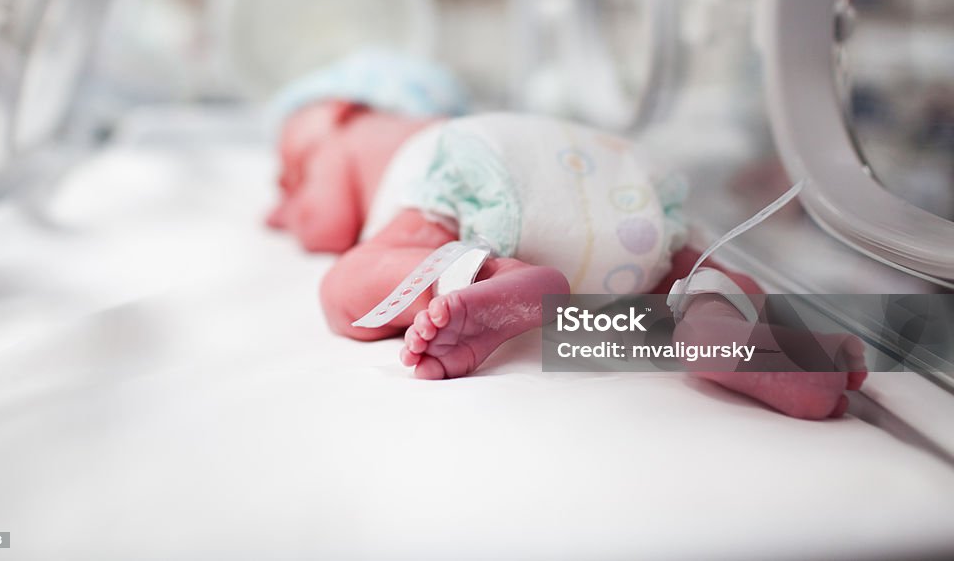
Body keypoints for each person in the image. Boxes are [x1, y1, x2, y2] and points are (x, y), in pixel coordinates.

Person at [267, 50, 867, 420]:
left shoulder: (366, 134)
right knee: (677, 267)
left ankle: (488, 276)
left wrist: (290, 208)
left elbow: (324, 227)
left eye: (293, 170)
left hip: (475, 172)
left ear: (339, 110)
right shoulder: (494, 125)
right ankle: (723, 314)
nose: (290, 188)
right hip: (614, 173)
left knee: (342, 288)